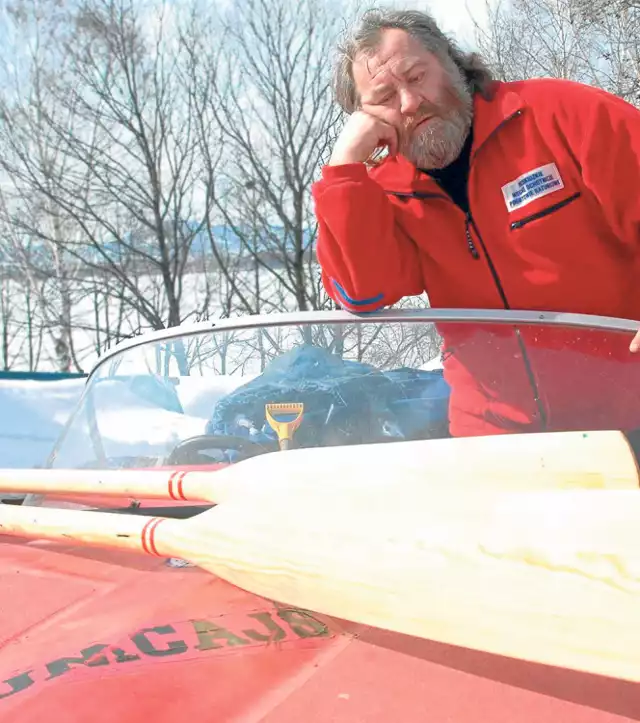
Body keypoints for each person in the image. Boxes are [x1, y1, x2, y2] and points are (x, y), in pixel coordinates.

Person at [312, 7, 640, 437]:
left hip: (626, 421)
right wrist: (343, 170)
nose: (410, 103)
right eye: (385, 98)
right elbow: (363, 295)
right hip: (494, 440)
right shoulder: (382, 192)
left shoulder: (558, 114)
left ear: (450, 62)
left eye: (416, 76)